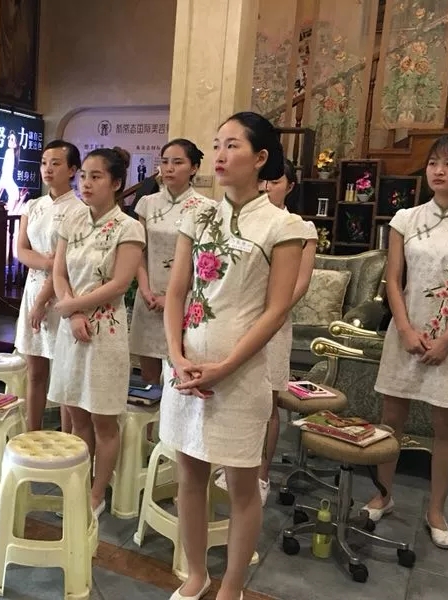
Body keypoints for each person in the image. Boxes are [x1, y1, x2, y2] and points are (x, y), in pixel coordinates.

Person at [160, 113, 307, 600]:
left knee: (242, 488)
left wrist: (225, 367)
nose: (220, 155)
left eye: (232, 145)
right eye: (217, 144)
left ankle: (232, 587)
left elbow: (276, 309)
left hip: (240, 375)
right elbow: (177, 291)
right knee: (189, 476)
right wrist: (176, 355)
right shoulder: (197, 215)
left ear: (261, 157)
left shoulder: (282, 225)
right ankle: (196, 574)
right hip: (187, 370)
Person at [366, 134, 448, 549]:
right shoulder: (405, 218)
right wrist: (405, 329)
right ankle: (383, 495)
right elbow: (393, 278)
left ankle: (436, 509)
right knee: (391, 418)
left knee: (445, 426)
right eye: (433, 163)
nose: (439, 171)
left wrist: (447, 339)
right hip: (405, 330)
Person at [49, 147, 145, 516]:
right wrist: (72, 313)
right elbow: (59, 273)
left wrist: (72, 306)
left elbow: (120, 284)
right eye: (83, 176)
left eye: (96, 176)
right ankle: (77, 484)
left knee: (103, 419)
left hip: (105, 333)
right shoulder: (72, 221)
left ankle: (96, 493)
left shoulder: (128, 227)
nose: (86, 183)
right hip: (72, 329)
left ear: (116, 183)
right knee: (76, 416)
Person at [257, 158, 317, 505]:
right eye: (263, 181)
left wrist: (271, 313)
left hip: (275, 323)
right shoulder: (247, 221)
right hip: (240, 320)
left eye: (275, 181)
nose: (267, 188)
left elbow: (300, 283)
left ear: (290, 187)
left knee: (267, 400)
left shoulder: (301, 228)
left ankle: (261, 474)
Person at [129, 138, 213, 385]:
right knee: (149, 377)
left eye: (177, 162)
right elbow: (139, 251)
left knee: (179, 375)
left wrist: (176, 297)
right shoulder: (147, 203)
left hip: (185, 299)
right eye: (165, 162)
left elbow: (205, 262)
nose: (169, 168)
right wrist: (145, 290)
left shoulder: (206, 208)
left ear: (194, 168)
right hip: (148, 296)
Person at [14, 140, 83, 432]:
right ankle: (32, 433)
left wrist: (44, 298)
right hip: (33, 289)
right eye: (44, 163)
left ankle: (67, 440)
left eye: (56, 163)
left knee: (64, 374)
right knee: (35, 371)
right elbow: (21, 250)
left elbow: (66, 265)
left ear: (73, 170)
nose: (48, 169)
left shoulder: (79, 209)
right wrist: (48, 262)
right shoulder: (33, 205)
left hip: (62, 293)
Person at [0, 131, 20, 212]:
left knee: (9, 216)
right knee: (10, 216)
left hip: (13, 193)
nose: (9, 140)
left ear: (15, 144)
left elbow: (5, 177)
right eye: (9, 138)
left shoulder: (9, 152)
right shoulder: (11, 153)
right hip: (14, 192)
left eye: (12, 139)